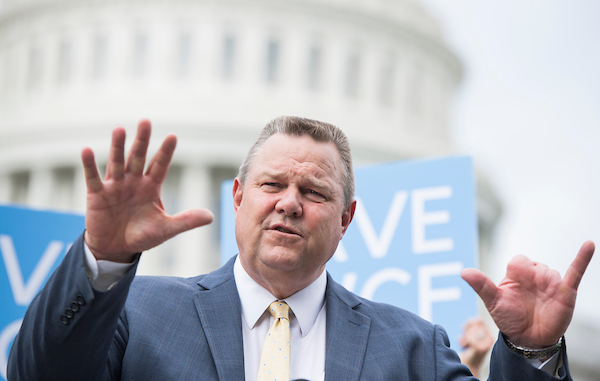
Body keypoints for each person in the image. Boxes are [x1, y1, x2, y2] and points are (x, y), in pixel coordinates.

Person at [8, 117, 594, 380]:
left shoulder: (412, 348)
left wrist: (532, 353)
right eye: (272, 185)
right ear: (238, 197)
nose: (290, 202)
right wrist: (100, 260)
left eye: (313, 191)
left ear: (346, 220)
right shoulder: (139, 314)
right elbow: (39, 374)